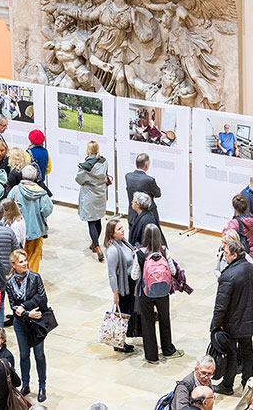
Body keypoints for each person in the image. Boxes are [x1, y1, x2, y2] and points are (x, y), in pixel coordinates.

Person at [211, 239, 253, 395]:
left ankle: (227, 385)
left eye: (226, 254)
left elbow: (221, 305)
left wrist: (216, 324)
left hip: (232, 322)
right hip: (249, 319)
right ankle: (248, 385)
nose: (224, 256)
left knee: (231, 354)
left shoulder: (227, 275)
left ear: (234, 255)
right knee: (248, 352)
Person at [131, 224, 183, 364]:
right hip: (163, 293)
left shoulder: (140, 253)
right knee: (164, 320)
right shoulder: (164, 251)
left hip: (146, 293)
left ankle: (152, 356)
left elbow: (134, 276)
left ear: (145, 236)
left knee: (148, 323)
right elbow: (172, 271)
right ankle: (168, 350)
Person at [5, 248, 48, 401]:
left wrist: (23, 306)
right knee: (24, 355)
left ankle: (42, 386)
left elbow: (42, 299)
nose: (25, 263)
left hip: (36, 323)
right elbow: (12, 305)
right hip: (21, 323)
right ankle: (25, 384)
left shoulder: (35, 277)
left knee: (39, 355)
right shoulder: (9, 283)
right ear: (13, 264)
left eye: (25, 260)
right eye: (21, 261)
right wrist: (26, 313)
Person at [7, 166, 53, 272]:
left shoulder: (15, 190)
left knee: (18, 258)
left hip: (17, 231)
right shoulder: (41, 192)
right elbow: (47, 210)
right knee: (34, 257)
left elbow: (7, 207)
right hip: (36, 231)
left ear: (22, 176)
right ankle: (31, 281)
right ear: (36, 176)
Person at [104, 216, 139, 352]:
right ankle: (118, 342)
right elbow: (112, 273)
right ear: (112, 232)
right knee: (122, 314)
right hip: (123, 284)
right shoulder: (113, 250)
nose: (123, 230)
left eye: (122, 227)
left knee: (127, 312)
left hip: (130, 281)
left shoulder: (123, 242)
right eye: (119, 229)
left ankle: (121, 340)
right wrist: (115, 293)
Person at [76, 141, 110, 262]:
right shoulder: (104, 161)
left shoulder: (84, 166)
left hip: (89, 195)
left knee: (91, 222)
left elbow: (79, 179)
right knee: (98, 219)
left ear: (88, 151)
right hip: (100, 194)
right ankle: (94, 244)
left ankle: (97, 247)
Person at [125, 152, 161, 226]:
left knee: (133, 236)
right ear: (147, 165)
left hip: (133, 214)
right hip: (148, 215)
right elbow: (158, 194)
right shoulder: (149, 180)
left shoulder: (128, 177)